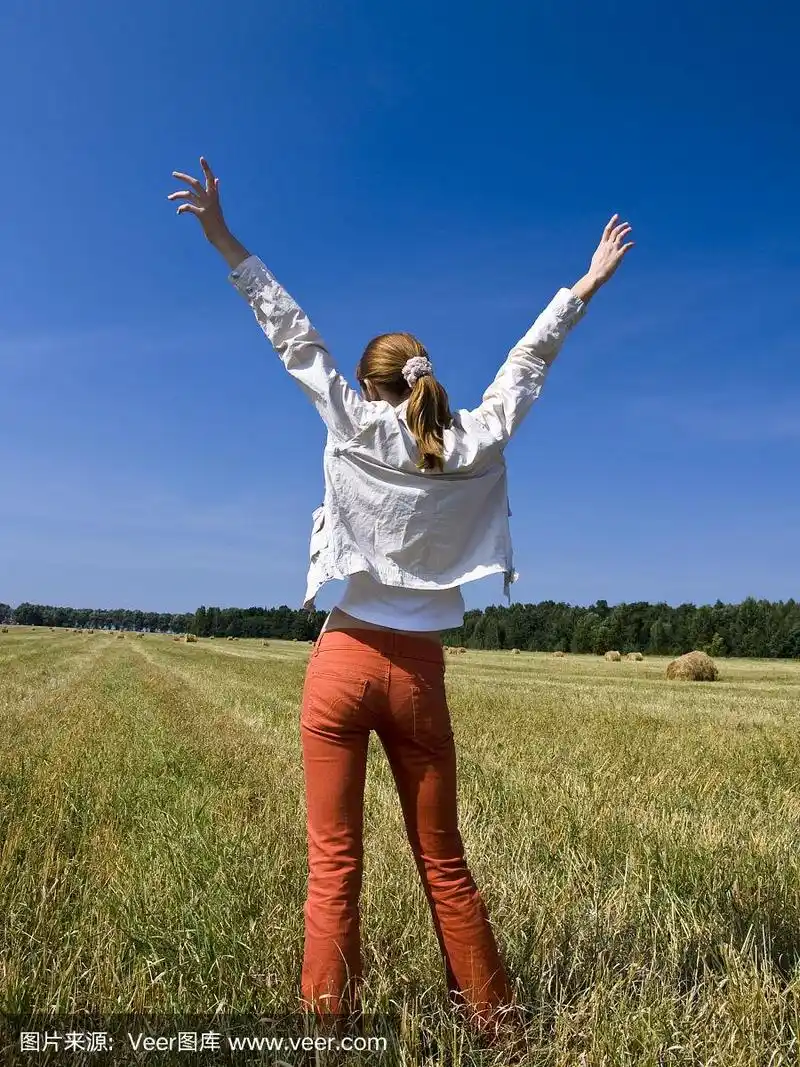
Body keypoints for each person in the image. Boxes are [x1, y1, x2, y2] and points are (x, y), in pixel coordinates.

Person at [168, 159, 634, 1039]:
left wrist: (223, 238)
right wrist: (585, 285)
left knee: (333, 866)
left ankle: (325, 1034)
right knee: (445, 864)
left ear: (372, 384)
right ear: (422, 380)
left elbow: (291, 333)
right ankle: (499, 1026)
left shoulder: (350, 421)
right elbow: (529, 362)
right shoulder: (474, 440)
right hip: (420, 676)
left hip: (342, 663)